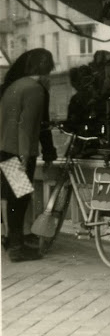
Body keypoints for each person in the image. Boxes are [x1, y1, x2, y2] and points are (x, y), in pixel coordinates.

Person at [0, 48, 57, 262]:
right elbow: (27, 126)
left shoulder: (14, 86)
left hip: (6, 149)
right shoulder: (35, 89)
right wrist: (24, 157)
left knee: (15, 197)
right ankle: (17, 248)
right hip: (20, 151)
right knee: (20, 199)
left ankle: (13, 242)